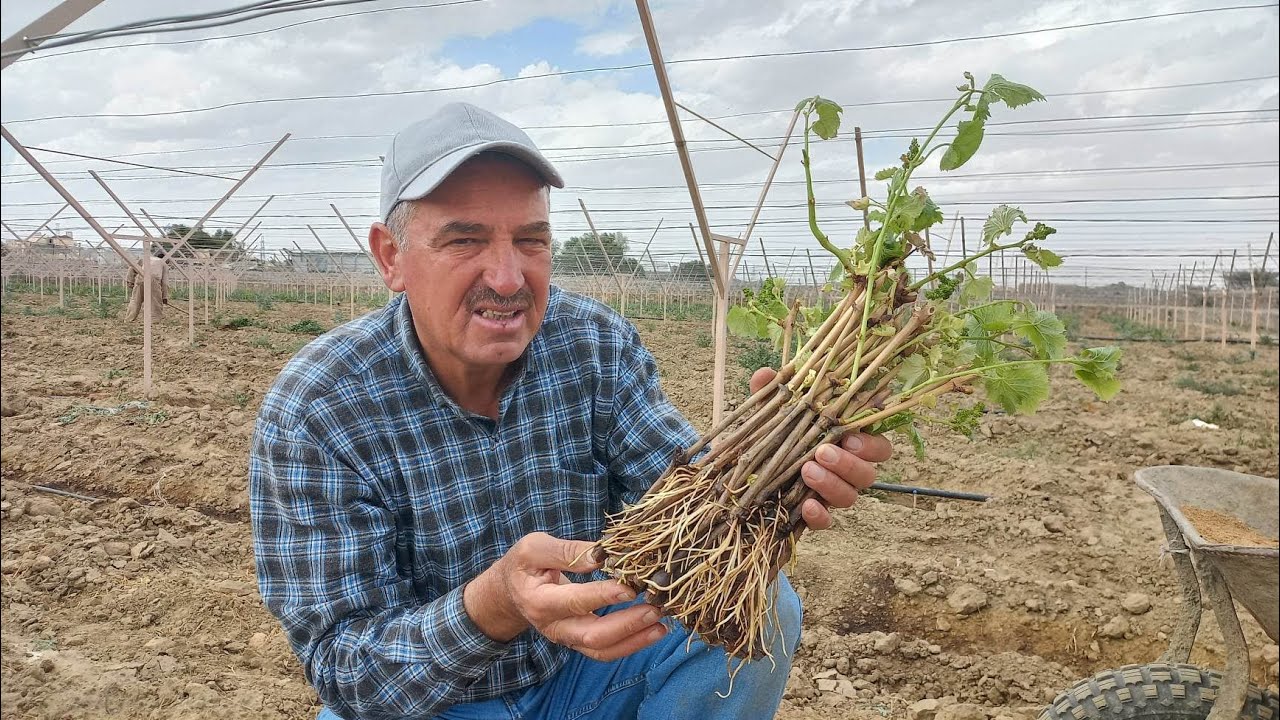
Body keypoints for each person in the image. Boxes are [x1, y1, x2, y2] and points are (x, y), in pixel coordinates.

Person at [249, 102, 892, 720]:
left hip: (590, 672)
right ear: (391, 256)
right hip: (438, 708)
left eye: (531, 240)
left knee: (759, 607)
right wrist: (495, 604)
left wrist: (782, 470)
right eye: (464, 240)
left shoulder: (593, 344)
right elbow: (345, 668)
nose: (507, 277)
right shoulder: (320, 407)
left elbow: (682, 491)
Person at [123, 243, 168, 322]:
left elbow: (132, 268)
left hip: (141, 278)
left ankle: (129, 319)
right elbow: (164, 283)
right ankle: (154, 320)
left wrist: (130, 281)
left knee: (135, 300)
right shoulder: (163, 263)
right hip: (154, 281)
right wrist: (164, 297)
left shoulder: (144, 259)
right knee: (155, 302)